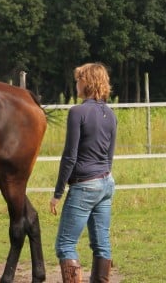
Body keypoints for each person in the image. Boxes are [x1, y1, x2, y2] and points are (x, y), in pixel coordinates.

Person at [49, 63, 116, 283]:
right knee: (101, 243)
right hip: (105, 182)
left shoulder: (77, 112)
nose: (76, 83)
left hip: (85, 184)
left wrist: (58, 192)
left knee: (65, 244)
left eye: (79, 79)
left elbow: (70, 156)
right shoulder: (111, 114)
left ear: (87, 82)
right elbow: (109, 156)